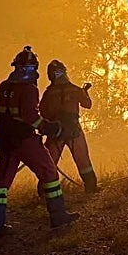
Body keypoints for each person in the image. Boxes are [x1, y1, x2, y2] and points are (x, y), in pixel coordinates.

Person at [0, 46, 80, 236]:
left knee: (2, 182)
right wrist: (50, 127)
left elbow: (2, 114)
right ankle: (58, 217)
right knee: (49, 173)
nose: (32, 73)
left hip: (5, 141)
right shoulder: (29, 89)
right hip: (25, 140)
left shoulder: (4, 86)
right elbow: (31, 117)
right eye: (31, 68)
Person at [39, 59, 98, 193]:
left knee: (50, 163)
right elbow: (87, 104)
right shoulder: (75, 89)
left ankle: (44, 192)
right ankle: (91, 188)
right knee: (83, 160)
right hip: (74, 131)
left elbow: (43, 112)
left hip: (55, 132)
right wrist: (85, 92)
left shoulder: (48, 93)